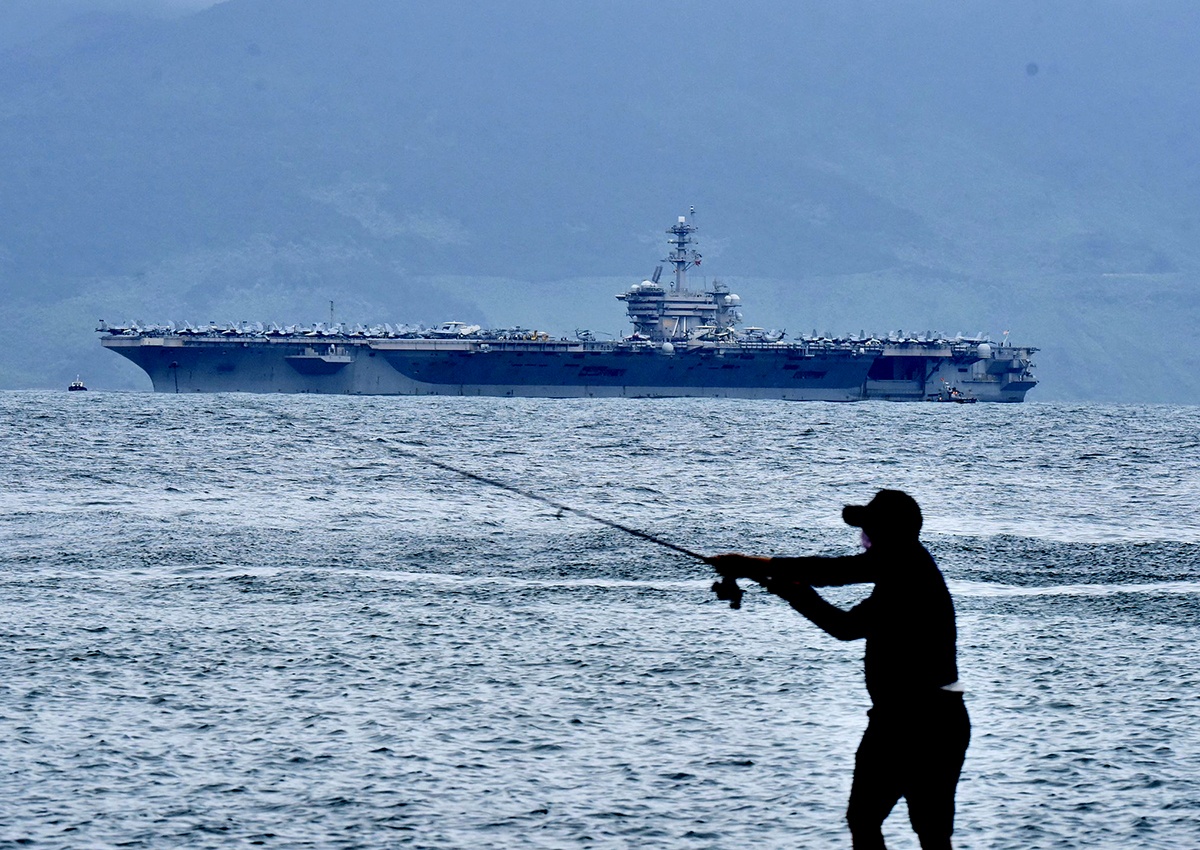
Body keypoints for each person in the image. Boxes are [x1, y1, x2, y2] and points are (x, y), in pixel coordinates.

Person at [709, 489, 969, 850]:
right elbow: (845, 628)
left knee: (875, 821)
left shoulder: (906, 565)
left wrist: (754, 566)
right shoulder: (904, 581)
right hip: (934, 719)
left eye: (870, 530)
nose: (865, 539)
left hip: (912, 720)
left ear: (891, 532)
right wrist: (788, 589)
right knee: (921, 830)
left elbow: (834, 572)